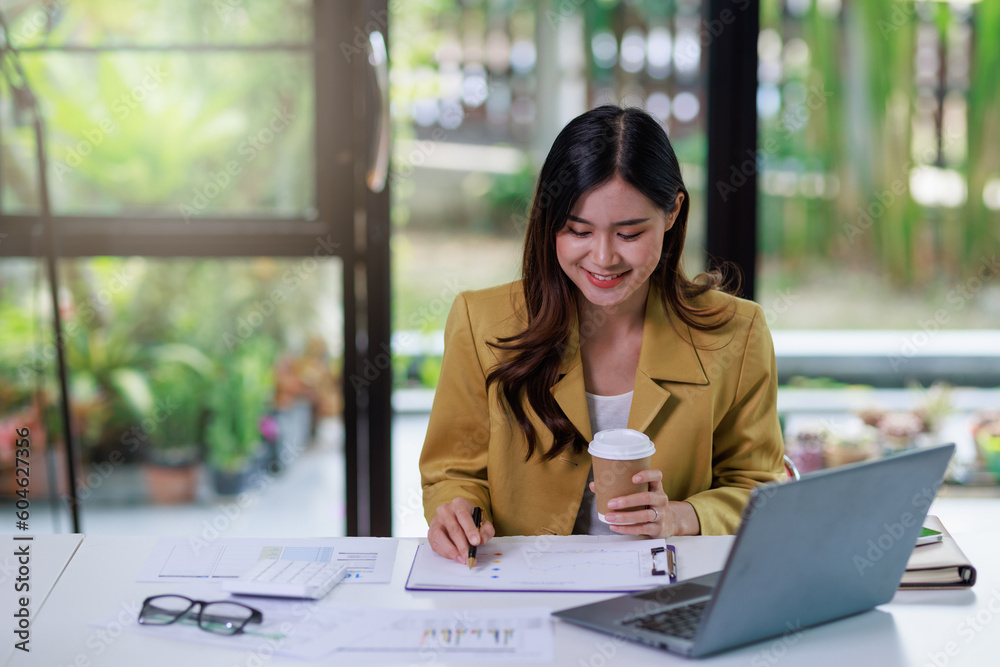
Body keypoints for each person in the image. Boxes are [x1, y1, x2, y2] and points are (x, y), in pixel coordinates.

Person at [420, 105, 785, 564]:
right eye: (578, 231)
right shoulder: (480, 322)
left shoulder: (737, 332)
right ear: (549, 221)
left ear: (673, 212)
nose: (604, 257)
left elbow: (758, 488)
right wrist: (457, 509)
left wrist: (681, 516)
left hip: (671, 593)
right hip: (521, 589)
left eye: (629, 233)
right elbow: (452, 471)